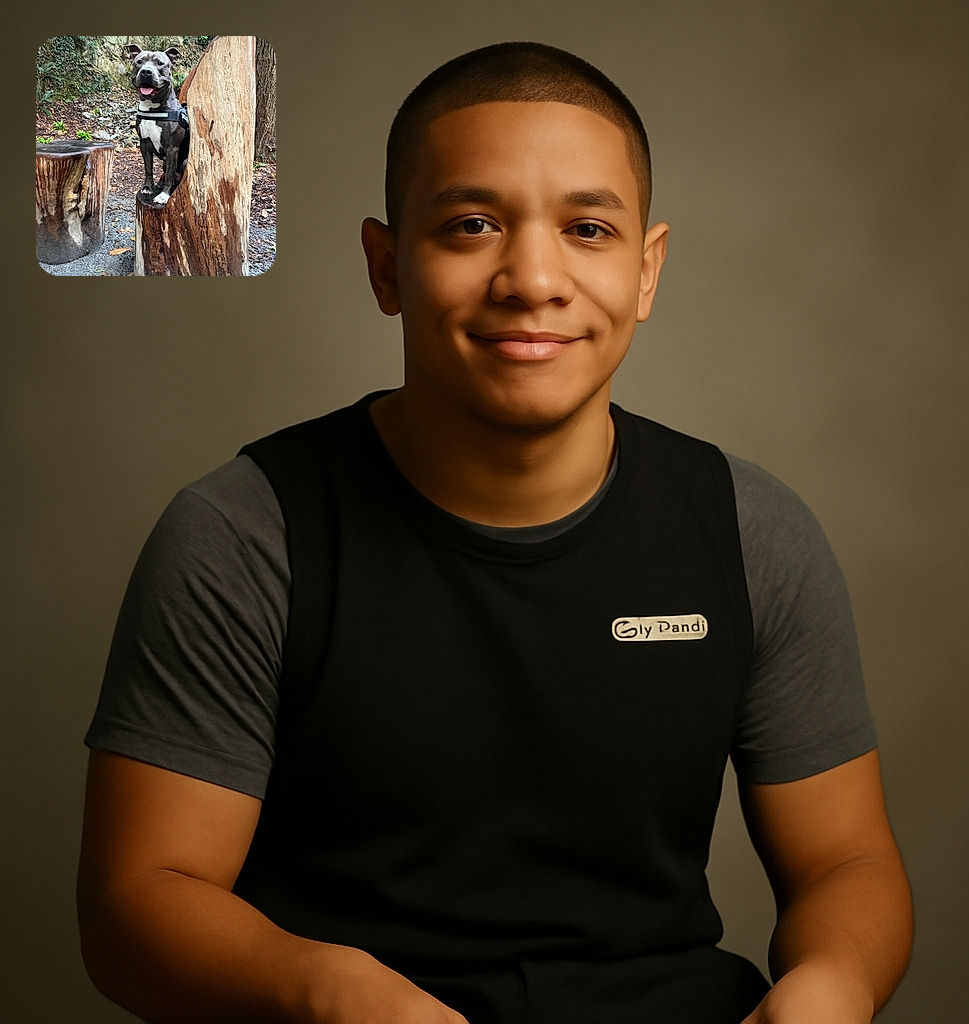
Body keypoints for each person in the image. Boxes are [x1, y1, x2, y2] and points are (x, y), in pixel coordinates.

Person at [78, 42, 912, 1024]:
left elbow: (846, 860)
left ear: (646, 271)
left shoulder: (748, 529)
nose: (532, 278)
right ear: (387, 266)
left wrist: (834, 984)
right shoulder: (248, 536)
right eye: (471, 225)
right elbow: (136, 903)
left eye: (588, 228)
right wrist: (330, 993)